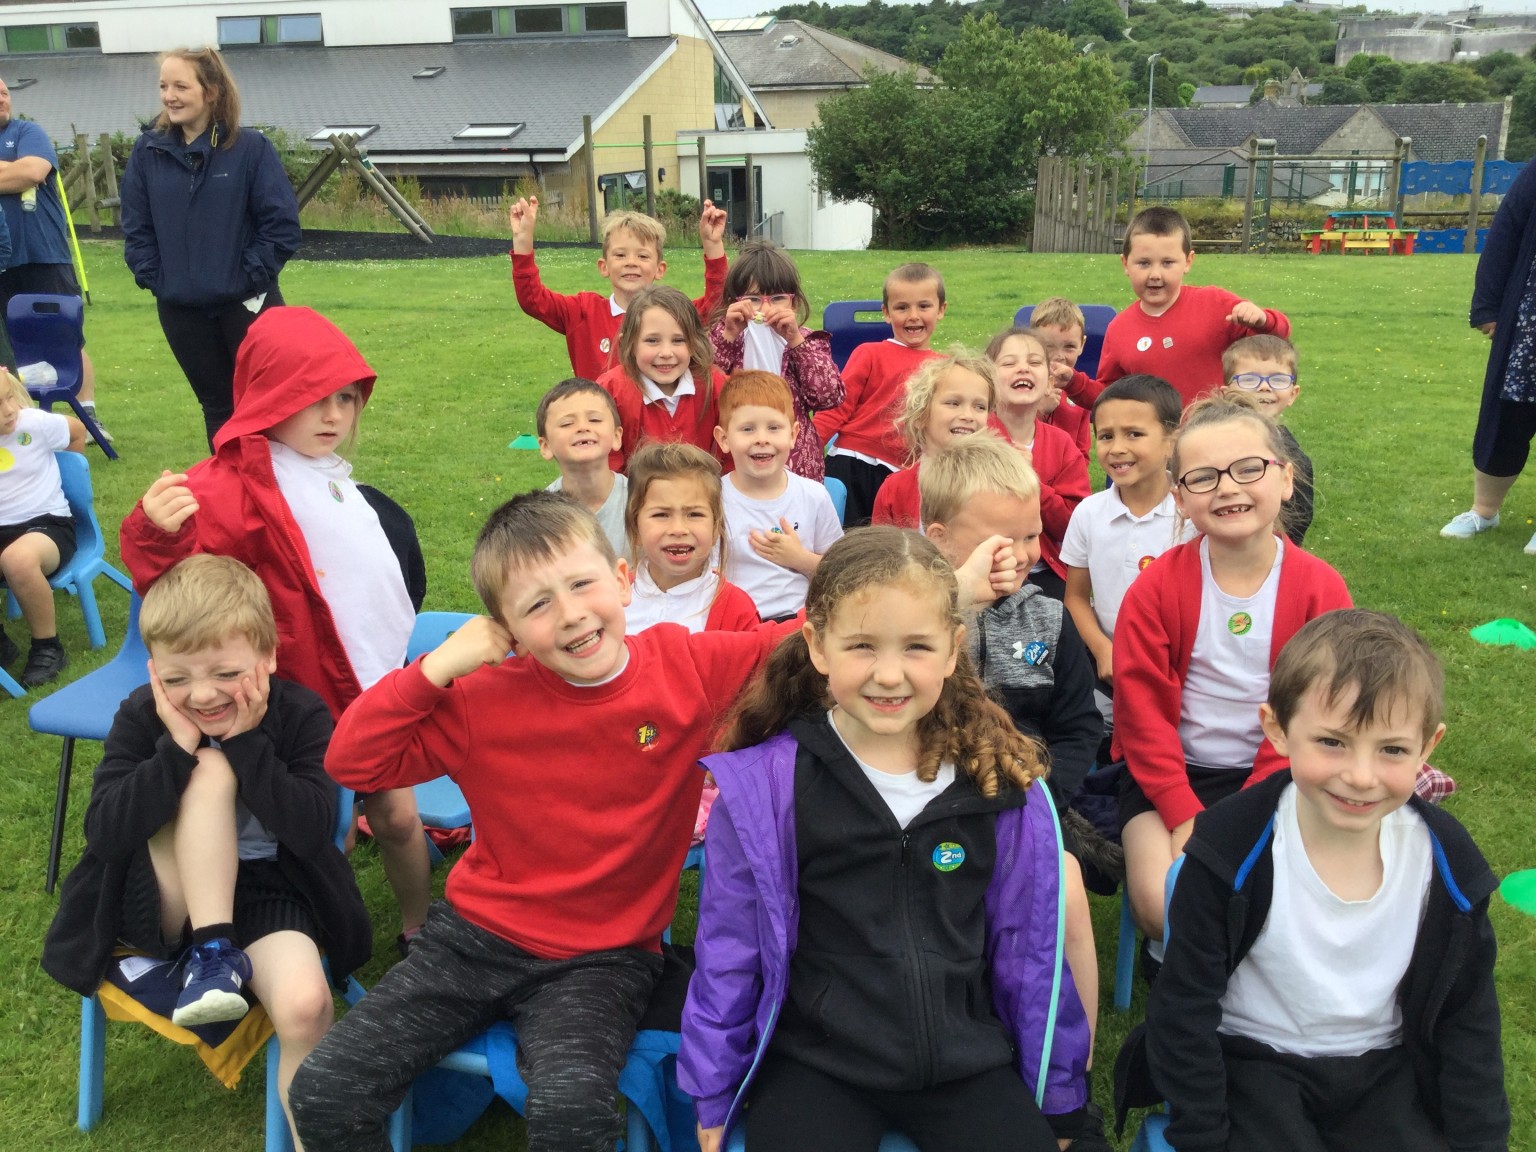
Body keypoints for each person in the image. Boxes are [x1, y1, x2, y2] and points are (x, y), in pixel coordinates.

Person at [284, 491, 814, 1152]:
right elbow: (352, 759)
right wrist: (436, 668)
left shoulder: (686, 667)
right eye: (536, 605)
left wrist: (920, 579)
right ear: (504, 630)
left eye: (582, 584)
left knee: (572, 1114)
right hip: (472, 941)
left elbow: (798, 640)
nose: (569, 615)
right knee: (324, 1087)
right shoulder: (480, 699)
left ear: (622, 580)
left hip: (604, 959)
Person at [678, 528, 1092, 1152]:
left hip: (964, 1062)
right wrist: (713, 1089)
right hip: (816, 1065)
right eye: (862, 645)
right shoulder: (767, 790)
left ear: (953, 650)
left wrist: (1058, 1098)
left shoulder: (999, 787)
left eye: (917, 646)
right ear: (817, 646)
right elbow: (729, 951)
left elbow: (1033, 957)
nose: (889, 674)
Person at [119, 306, 432, 955]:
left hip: (375, 686)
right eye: (312, 399)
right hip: (305, 700)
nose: (334, 416)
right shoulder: (233, 486)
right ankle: (325, 935)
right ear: (268, 395)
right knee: (325, 831)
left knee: (400, 817)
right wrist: (154, 531)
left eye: (345, 398)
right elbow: (178, 585)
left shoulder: (330, 477)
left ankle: (420, 928)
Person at [1141, 609, 1508, 1152]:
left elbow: (1468, 1018)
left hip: (1384, 1069)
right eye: (1333, 742)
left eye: (1392, 750)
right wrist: (1202, 1135)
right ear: (1278, 730)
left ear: (1427, 747)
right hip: (1254, 1062)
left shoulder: (1446, 863)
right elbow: (1183, 1008)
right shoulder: (1230, 848)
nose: (1360, 776)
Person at [42, 554, 370, 1146]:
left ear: (268, 656)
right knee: (208, 771)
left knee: (306, 1007)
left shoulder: (301, 714)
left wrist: (245, 742)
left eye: (226, 673)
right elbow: (106, 834)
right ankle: (211, 951)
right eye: (176, 679)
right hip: (164, 894)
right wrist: (177, 751)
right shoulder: (142, 715)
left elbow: (311, 831)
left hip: (269, 887)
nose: (201, 694)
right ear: (153, 671)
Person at [1113, 392, 1351, 952]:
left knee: (1276, 899)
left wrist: (1248, 810)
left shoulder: (1320, 588)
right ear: (1178, 498)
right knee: (1160, 903)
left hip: (1283, 772)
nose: (1227, 487)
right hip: (1170, 777)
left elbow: (1319, 712)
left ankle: (1248, 975)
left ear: (1286, 479)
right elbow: (1141, 715)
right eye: (1203, 477)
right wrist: (1182, 813)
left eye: (1248, 469)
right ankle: (1177, 962)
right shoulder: (1155, 590)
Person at [920, 437, 1107, 1093]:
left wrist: (1042, 794)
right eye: (1003, 540)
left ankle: (1073, 1067)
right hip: (928, 803)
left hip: (1027, 801)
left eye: (1032, 535)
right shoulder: (915, 618)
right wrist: (956, 606)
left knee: (1068, 891)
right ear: (941, 539)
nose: (1025, 553)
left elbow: (1079, 727)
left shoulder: (1050, 620)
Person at [119, 48, 302, 447]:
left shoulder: (250, 149)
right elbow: (136, 228)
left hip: (247, 306)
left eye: (181, 86)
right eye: (164, 86)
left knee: (269, 406)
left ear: (212, 91)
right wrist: (159, 280)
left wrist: (246, 277)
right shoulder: (148, 152)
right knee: (218, 408)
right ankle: (232, 483)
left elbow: (281, 225)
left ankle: (279, 484)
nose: (169, 96)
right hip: (181, 311)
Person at [1061, 207, 1290, 409]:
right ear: (1125, 264)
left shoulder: (1215, 304)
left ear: (1188, 261)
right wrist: (1073, 381)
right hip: (1156, 442)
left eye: (1167, 263)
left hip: (1215, 435)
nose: (1155, 274)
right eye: (1144, 263)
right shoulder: (1119, 328)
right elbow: (1110, 396)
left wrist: (1264, 320)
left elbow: (1275, 342)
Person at [1061, 374, 1188, 702]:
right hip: (1110, 670)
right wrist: (1103, 650)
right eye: (1106, 436)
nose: (1117, 448)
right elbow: (1076, 597)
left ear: (1172, 441)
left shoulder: (1192, 514)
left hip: (1184, 670)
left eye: (1134, 434)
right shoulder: (1089, 513)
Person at [511, 196, 728, 380]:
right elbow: (533, 300)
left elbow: (717, 304)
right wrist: (522, 241)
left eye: (642, 256)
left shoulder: (675, 313)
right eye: (620, 255)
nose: (631, 262)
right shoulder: (583, 312)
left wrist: (712, 244)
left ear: (659, 269)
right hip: (599, 416)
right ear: (604, 266)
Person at [0, 76, 106, 438]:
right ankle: (20, 422)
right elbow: (20, 174)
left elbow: (33, 171)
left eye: (5, 93)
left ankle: (88, 418)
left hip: (43, 254)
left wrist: (22, 173)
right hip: (2, 262)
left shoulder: (27, 132)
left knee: (66, 336)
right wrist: (10, 172)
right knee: (8, 345)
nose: (2, 99)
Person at [1441, 153, 1536, 555]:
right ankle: (1484, 511)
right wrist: (1487, 307)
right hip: (1530, 323)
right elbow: (1506, 232)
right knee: (1507, 418)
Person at [813, 263, 947, 525]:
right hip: (852, 462)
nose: (913, 316)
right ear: (886, 313)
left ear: (941, 309)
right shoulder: (869, 353)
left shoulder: (946, 368)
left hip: (906, 473)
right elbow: (837, 407)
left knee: (891, 545)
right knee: (845, 540)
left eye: (924, 306)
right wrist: (807, 448)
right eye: (902, 307)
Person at [708, 240, 844, 480]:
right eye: (753, 299)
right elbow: (704, 384)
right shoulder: (727, 335)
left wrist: (795, 341)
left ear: (794, 303)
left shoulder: (807, 340)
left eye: (777, 298)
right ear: (733, 302)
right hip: (736, 461)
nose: (765, 307)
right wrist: (727, 335)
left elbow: (829, 396)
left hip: (796, 463)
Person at [715, 370, 843, 620]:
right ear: (724, 439)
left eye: (774, 428)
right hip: (733, 623)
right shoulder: (713, 499)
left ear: (793, 435)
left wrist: (800, 559)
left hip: (797, 622)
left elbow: (840, 568)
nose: (762, 439)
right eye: (747, 429)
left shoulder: (813, 496)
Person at [987, 327, 1090, 600]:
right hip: (986, 568)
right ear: (988, 380)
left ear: (1049, 383)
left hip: (1044, 571)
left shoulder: (1062, 444)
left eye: (1034, 362)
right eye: (1009, 363)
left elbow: (1073, 525)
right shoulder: (976, 438)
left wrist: (1034, 484)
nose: (1023, 369)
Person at [0, 367, 85, 686]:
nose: (10, 410)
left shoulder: (33, 424)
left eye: (9, 397)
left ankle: (47, 646)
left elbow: (77, 432)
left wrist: (73, 483)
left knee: (17, 559)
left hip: (46, 526)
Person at [624, 439, 759, 633]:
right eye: (661, 515)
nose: (678, 529)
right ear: (635, 529)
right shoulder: (611, 597)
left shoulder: (737, 610)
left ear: (715, 528)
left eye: (694, 514)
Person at [597, 283, 728, 472]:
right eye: (652, 341)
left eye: (678, 340)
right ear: (629, 343)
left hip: (705, 489)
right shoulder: (611, 390)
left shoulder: (715, 384)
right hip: (633, 491)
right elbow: (605, 462)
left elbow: (735, 449)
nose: (666, 353)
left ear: (694, 343)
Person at [870, 352, 995, 529]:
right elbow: (882, 546)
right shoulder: (895, 490)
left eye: (980, 406)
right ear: (921, 415)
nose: (968, 415)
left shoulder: (998, 484)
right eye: (953, 403)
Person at [1224, 334, 1314, 546]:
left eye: (1278, 380)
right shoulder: (1207, 443)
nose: (1264, 387)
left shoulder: (1295, 461)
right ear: (1226, 392)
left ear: (1293, 394)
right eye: (1249, 379)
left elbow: (1299, 519)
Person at [537, 376, 628, 557]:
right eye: (567, 423)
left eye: (594, 420)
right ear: (546, 446)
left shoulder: (641, 500)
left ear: (617, 437)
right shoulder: (541, 516)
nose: (582, 427)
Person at [1030, 296, 1093, 458]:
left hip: (1068, 470)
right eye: (1048, 346)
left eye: (1069, 347)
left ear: (1082, 345)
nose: (1059, 356)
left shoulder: (1080, 391)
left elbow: (1082, 453)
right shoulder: (1022, 385)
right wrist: (1039, 412)